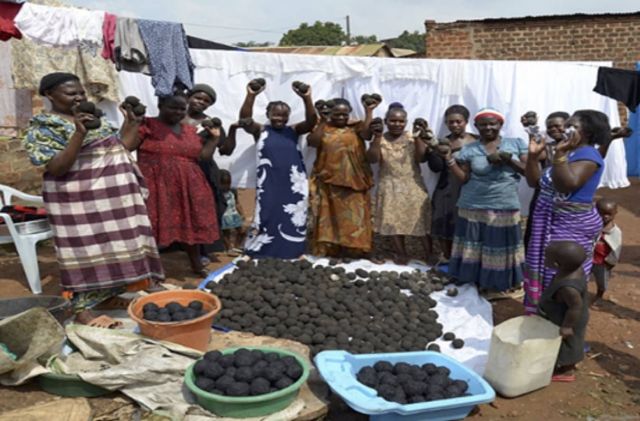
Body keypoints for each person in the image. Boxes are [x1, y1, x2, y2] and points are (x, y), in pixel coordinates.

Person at [22, 72, 164, 328]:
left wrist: (132, 122)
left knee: (117, 246)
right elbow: (57, 168)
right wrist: (78, 133)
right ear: (49, 95)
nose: (78, 98)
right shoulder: (42, 126)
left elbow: (121, 147)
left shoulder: (94, 118)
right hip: (76, 202)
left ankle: (109, 296)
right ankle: (81, 309)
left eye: (81, 93)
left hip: (112, 201)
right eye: (70, 93)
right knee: (82, 252)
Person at [523, 110, 609, 314]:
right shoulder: (569, 152)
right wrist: (533, 158)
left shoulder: (588, 155)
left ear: (587, 132)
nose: (565, 129)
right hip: (550, 219)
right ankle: (543, 315)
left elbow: (567, 185)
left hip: (571, 223)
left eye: (572, 125)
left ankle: (564, 323)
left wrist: (559, 155)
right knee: (546, 268)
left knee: (561, 272)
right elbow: (535, 182)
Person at [133, 92, 221, 277]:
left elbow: (202, 156)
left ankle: (196, 264)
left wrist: (214, 139)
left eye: (182, 108)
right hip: (156, 185)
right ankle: (148, 271)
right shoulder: (147, 124)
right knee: (152, 224)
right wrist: (131, 122)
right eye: (173, 107)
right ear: (160, 106)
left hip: (189, 185)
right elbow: (127, 145)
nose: (179, 112)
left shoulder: (189, 130)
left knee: (189, 223)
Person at [444, 108, 528, 295]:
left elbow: (528, 172)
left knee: (499, 245)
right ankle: (474, 278)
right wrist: (449, 159)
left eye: (493, 123)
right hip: (472, 204)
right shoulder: (469, 149)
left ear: (501, 125)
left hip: (504, 204)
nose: (488, 127)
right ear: (476, 126)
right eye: (483, 124)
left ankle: (498, 282)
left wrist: (510, 160)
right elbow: (464, 178)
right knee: (473, 244)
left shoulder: (516, 143)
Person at [238, 80, 317, 259]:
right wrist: (251, 96)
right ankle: (257, 250)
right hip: (269, 182)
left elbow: (312, 122)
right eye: (275, 115)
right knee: (266, 214)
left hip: (294, 183)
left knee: (294, 217)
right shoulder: (261, 130)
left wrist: (307, 99)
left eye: (284, 116)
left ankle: (294, 251)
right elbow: (245, 120)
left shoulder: (294, 131)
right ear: (268, 114)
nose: (280, 119)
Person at [308, 97, 377, 258]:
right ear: (330, 113)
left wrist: (369, 111)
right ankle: (332, 249)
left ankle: (353, 251)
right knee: (329, 218)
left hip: (355, 180)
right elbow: (313, 142)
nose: (341, 117)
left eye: (344, 114)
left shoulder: (356, 127)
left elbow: (367, 135)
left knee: (355, 219)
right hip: (328, 179)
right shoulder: (324, 127)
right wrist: (323, 121)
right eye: (336, 114)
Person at [367, 103, 431, 264]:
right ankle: (401, 253)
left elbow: (421, 158)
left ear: (406, 122)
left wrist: (418, 138)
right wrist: (376, 137)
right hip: (389, 185)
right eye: (393, 121)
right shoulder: (380, 139)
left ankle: (429, 253)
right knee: (393, 221)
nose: (397, 124)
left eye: (401, 121)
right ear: (386, 121)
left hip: (412, 184)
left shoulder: (412, 138)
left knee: (420, 221)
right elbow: (372, 159)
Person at [183, 84, 233, 264]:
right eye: (198, 98)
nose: (201, 103)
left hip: (204, 171)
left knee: (205, 209)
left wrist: (226, 133)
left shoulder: (212, 124)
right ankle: (182, 248)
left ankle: (204, 250)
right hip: (180, 170)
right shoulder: (175, 118)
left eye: (206, 101)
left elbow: (225, 150)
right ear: (189, 97)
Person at [424, 105, 477, 259]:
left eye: (458, 122)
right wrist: (433, 149)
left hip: (471, 188)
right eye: (450, 122)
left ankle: (467, 261)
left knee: (468, 226)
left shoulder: (477, 141)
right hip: (447, 188)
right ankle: (447, 259)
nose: (455, 125)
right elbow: (436, 168)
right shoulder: (442, 142)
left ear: (466, 122)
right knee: (444, 225)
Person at [538, 240, 589, 382]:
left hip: (569, 319)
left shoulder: (568, 288)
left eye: (547, 258)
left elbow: (575, 307)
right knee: (565, 342)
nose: (545, 259)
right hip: (563, 312)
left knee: (569, 344)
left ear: (556, 265)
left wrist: (567, 326)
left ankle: (567, 370)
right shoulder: (572, 269)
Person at [523, 111, 570, 250]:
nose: (554, 129)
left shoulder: (578, 149)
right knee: (536, 235)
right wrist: (531, 129)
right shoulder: (547, 148)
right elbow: (535, 153)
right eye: (550, 127)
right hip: (543, 199)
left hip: (567, 201)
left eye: (558, 126)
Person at [591, 198, 622, 304]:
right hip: (589, 259)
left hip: (603, 262)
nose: (605, 217)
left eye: (609, 214)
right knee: (582, 278)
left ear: (615, 213)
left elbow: (616, 248)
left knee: (602, 282)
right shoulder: (593, 226)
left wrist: (611, 262)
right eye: (602, 213)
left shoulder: (615, 232)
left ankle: (599, 294)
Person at [219, 169, 244, 255]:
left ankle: (237, 246)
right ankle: (229, 248)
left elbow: (237, 203)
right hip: (224, 216)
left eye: (228, 183)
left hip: (234, 214)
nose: (226, 186)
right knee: (226, 233)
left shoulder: (233, 191)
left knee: (241, 230)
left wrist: (242, 213)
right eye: (224, 184)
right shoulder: (218, 193)